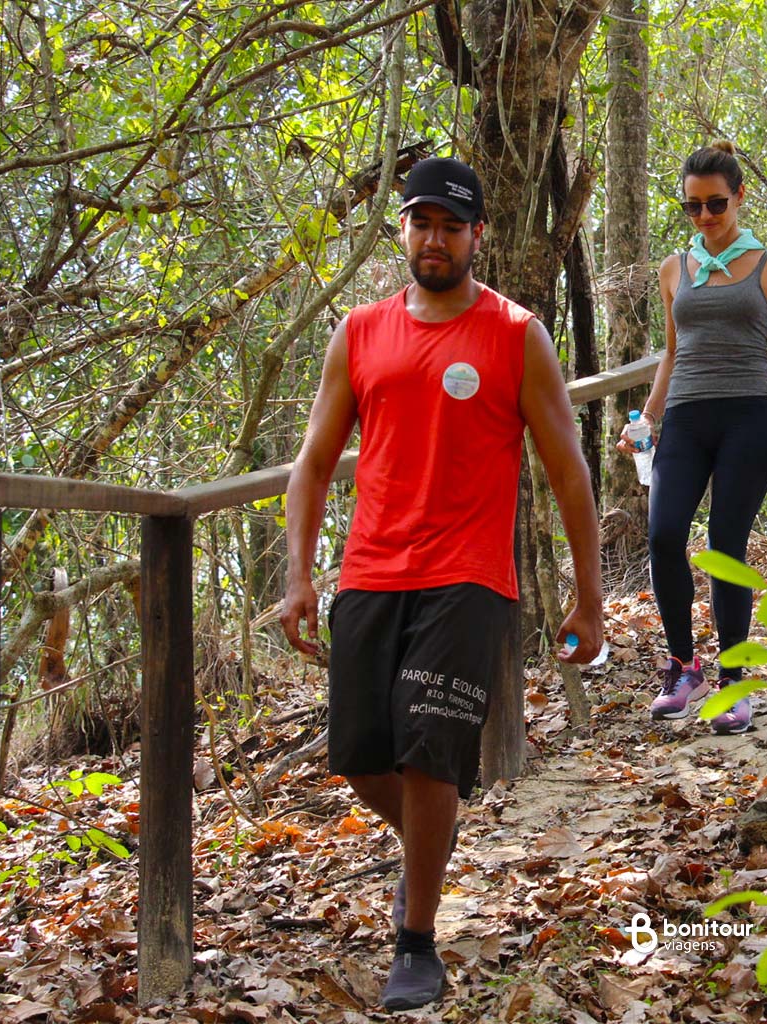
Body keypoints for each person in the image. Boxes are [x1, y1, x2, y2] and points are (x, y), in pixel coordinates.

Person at [279, 157, 603, 1011]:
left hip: (470, 577)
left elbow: (569, 472)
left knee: (429, 751)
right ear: (404, 229)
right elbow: (312, 465)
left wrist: (589, 595)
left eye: (451, 226)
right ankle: (431, 849)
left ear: (476, 236)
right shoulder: (360, 331)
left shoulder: (514, 333)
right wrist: (298, 576)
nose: (434, 238)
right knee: (357, 755)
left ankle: (415, 940)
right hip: (372, 569)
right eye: (421, 222)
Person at [620, 141, 767, 734]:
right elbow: (671, 353)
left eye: (716, 204)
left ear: (738, 197)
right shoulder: (674, 269)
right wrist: (647, 418)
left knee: (725, 545)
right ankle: (685, 668)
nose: (706, 217)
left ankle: (735, 678)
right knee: (663, 535)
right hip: (685, 417)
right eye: (693, 207)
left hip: (747, 416)